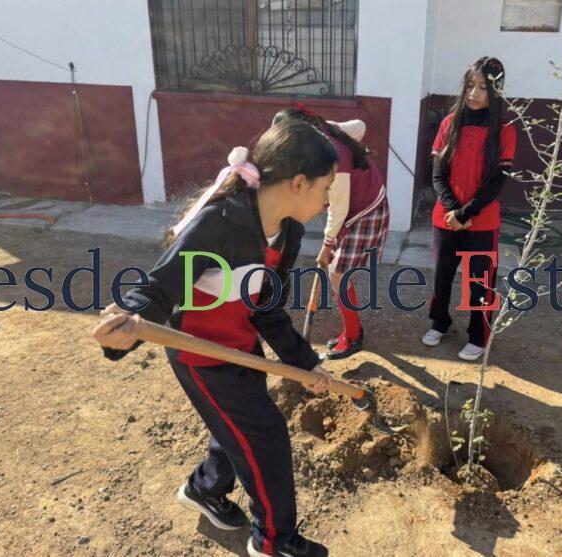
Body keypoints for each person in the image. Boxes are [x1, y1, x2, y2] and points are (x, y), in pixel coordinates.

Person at [92, 121, 338, 557]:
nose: (326, 200)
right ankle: (273, 542)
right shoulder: (220, 223)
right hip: (200, 354)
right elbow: (159, 286)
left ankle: (205, 489)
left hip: (240, 345)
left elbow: (265, 305)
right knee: (265, 433)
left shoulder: (288, 231)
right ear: (299, 183)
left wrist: (303, 361)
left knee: (234, 426)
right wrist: (128, 322)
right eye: (325, 187)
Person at [273, 106, 389, 360]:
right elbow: (360, 126)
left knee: (338, 275)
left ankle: (353, 337)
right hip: (356, 204)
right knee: (340, 274)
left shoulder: (333, 155)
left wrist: (327, 245)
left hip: (365, 209)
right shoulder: (322, 130)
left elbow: (339, 207)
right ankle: (352, 330)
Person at [423, 56, 517, 361]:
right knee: (442, 275)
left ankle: (478, 334)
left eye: (483, 87)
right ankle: (440, 322)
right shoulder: (450, 124)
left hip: (482, 220)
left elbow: (496, 182)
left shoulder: (504, 130)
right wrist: (452, 210)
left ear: (496, 91)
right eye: (470, 85)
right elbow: (437, 174)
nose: (474, 93)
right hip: (446, 219)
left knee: (480, 280)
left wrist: (466, 214)